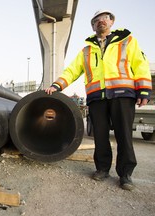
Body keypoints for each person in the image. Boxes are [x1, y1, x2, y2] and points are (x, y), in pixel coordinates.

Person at [45, 9, 152, 191]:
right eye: (96, 20)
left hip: (123, 95)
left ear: (111, 22)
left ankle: (125, 174)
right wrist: (57, 85)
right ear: (93, 26)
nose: (100, 21)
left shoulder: (127, 42)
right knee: (100, 136)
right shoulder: (86, 50)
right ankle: (102, 169)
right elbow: (72, 71)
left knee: (124, 135)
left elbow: (140, 64)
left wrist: (143, 90)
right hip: (97, 98)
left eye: (104, 18)